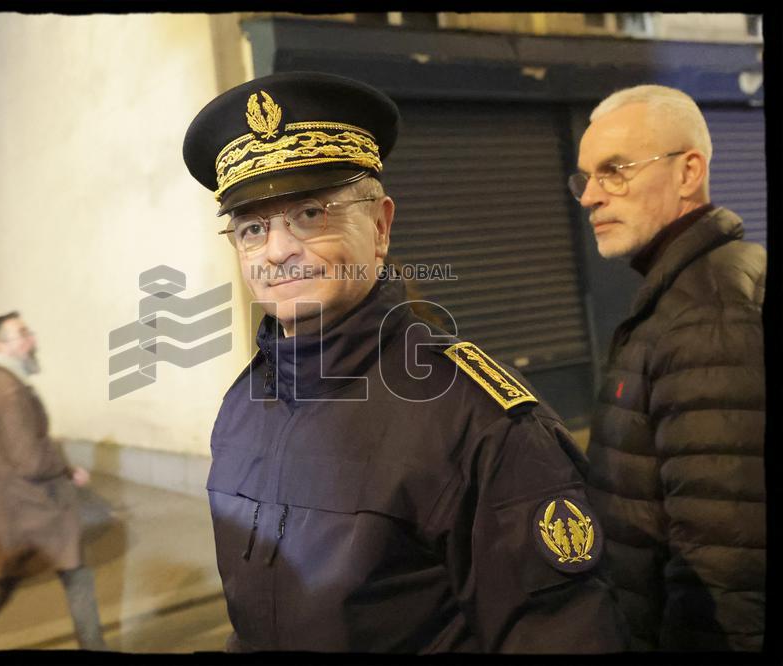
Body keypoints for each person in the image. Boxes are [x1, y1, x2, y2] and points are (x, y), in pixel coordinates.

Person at [182, 71, 628, 653]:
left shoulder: (479, 422)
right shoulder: (242, 406)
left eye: (311, 214)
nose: (278, 249)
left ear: (381, 227)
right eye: (252, 228)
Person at [570, 84, 766, 651]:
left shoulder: (708, 312)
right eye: (586, 177)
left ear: (688, 173)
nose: (590, 197)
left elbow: (727, 561)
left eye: (615, 171)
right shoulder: (686, 294)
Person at [0, 312, 107, 650]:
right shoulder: (9, 389)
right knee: (69, 577)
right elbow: (29, 460)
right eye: (23, 334)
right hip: (33, 509)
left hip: (8, 510)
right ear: (0, 345)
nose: (32, 340)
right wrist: (66, 470)